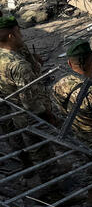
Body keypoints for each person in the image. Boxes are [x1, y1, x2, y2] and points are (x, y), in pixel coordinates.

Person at [0, 15, 56, 168]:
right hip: (32, 117)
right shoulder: (18, 66)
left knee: (34, 148)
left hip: (16, 113)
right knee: (43, 153)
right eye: (19, 32)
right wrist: (47, 114)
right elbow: (30, 101)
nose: (22, 36)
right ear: (12, 36)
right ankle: (52, 188)